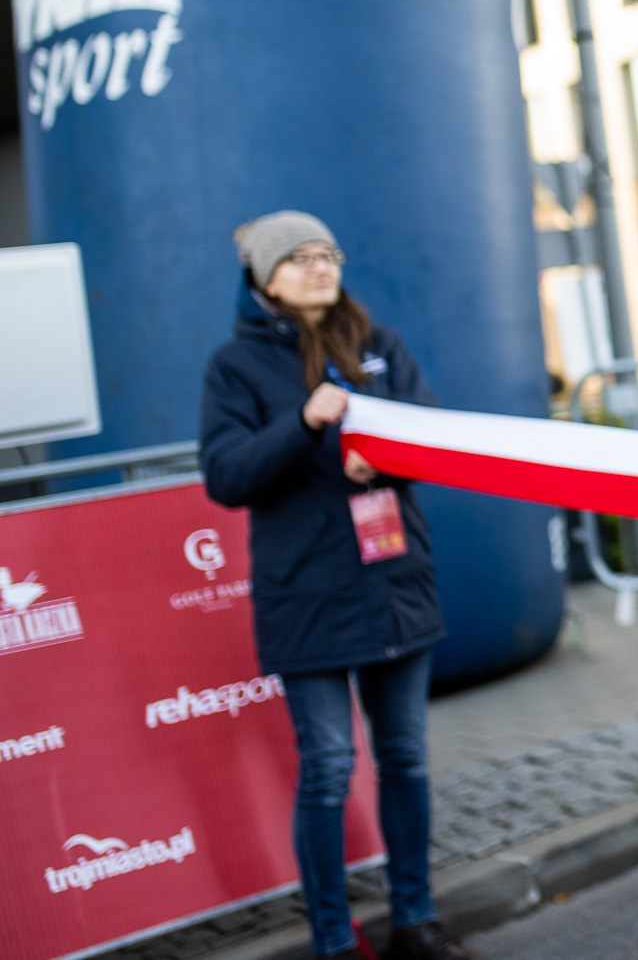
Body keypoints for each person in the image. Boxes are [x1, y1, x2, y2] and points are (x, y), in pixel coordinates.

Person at [198, 212, 474, 960]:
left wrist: (380, 460)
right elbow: (225, 476)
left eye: (328, 254)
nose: (320, 266)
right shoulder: (235, 366)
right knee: (327, 768)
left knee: (406, 759)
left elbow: (430, 441)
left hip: (393, 581)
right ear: (264, 278)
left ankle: (416, 921)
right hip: (307, 593)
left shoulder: (378, 346)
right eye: (299, 256)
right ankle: (333, 940)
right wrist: (304, 421)